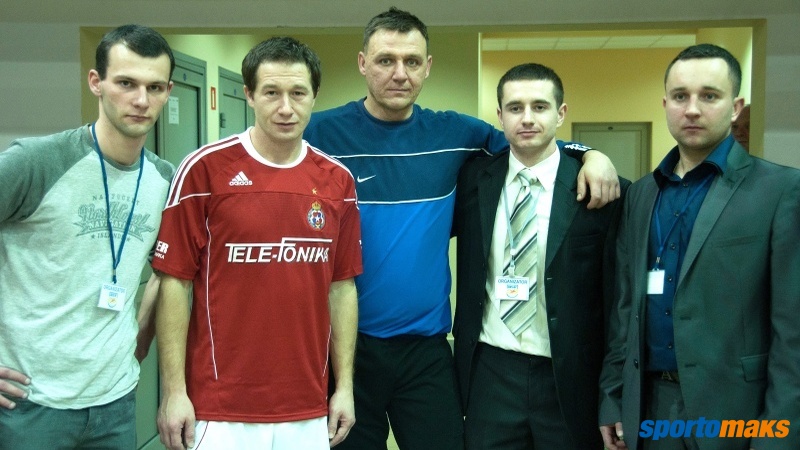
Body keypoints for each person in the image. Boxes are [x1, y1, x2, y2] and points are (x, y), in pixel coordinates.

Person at [303, 7, 621, 449]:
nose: (400, 73)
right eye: (385, 60)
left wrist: (590, 154)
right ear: (362, 63)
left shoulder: (455, 134)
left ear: (427, 67)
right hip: (344, 349)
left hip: (428, 350)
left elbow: (530, 139)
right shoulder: (319, 134)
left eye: (412, 61)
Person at [153, 36, 361, 450]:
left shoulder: (337, 180)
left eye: (298, 93)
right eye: (271, 93)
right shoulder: (203, 170)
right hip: (219, 407)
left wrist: (344, 387)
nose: (285, 108)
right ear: (248, 94)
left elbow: (342, 288)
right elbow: (174, 283)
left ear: (314, 95)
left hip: (307, 406)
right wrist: (174, 391)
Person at [599, 44, 800, 450]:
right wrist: (612, 397)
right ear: (665, 105)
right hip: (650, 406)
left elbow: (792, 332)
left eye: (709, 96)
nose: (692, 109)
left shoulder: (779, 191)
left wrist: (777, 435)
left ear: (735, 107)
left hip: (736, 411)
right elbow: (625, 307)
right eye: (680, 96)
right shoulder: (641, 194)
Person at [0, 24, 175, 449]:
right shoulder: (36, 162)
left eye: (154, 87)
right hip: (30, 404)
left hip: (116, 403)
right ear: (96, 82)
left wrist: (139, 339)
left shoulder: (164, 180)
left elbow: (167, 272)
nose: (141, 100)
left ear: (168, 92)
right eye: (126, 83)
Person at [452, 62, 628, 449]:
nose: (528, 118)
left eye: (540, 106)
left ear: (561, 113)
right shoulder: (473, 181)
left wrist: (590, 154)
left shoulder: (602, 191)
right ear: (500, 116)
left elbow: (620, 300)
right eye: (515, 108)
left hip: (569, 375)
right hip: (491, 372)